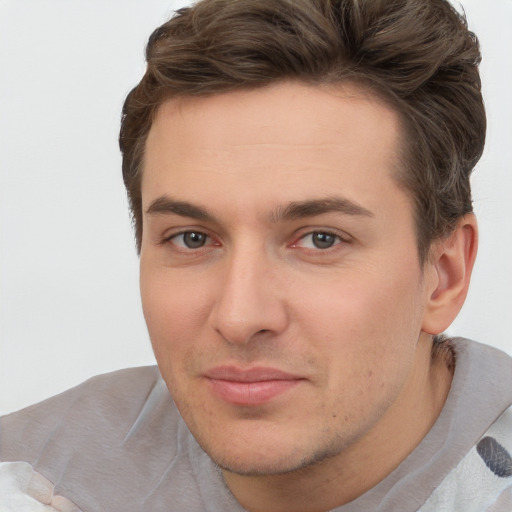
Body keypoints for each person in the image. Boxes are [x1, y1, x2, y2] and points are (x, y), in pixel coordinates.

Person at [1, 0, 511, 510]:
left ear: (444, 275)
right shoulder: (27, 476)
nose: (240, 317)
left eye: (320, 240)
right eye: (192, 239)